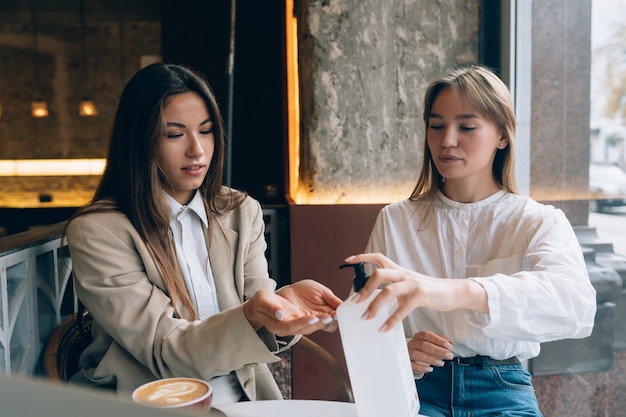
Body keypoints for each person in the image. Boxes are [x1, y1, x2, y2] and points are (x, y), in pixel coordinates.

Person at [64, 63, 342, 404]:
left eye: (206, 131)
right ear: (141, 140)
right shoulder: (99, 231)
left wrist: (282, 308)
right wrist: (251, 314)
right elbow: (165, 350)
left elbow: (260, 318)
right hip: (149, 401)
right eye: (175, 134)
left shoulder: (241, 211)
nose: (197, 150)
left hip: (245, 397)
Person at [344, 65, 596, 416]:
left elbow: (576, 307)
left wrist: (452, 291)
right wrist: (401, 350)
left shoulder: (537, 221)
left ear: (502, 136)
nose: (447, 140)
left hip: (502, 389)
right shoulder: (396, 220)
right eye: (436, 126)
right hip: (416, 390)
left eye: (466, 127)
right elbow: (366, 331)